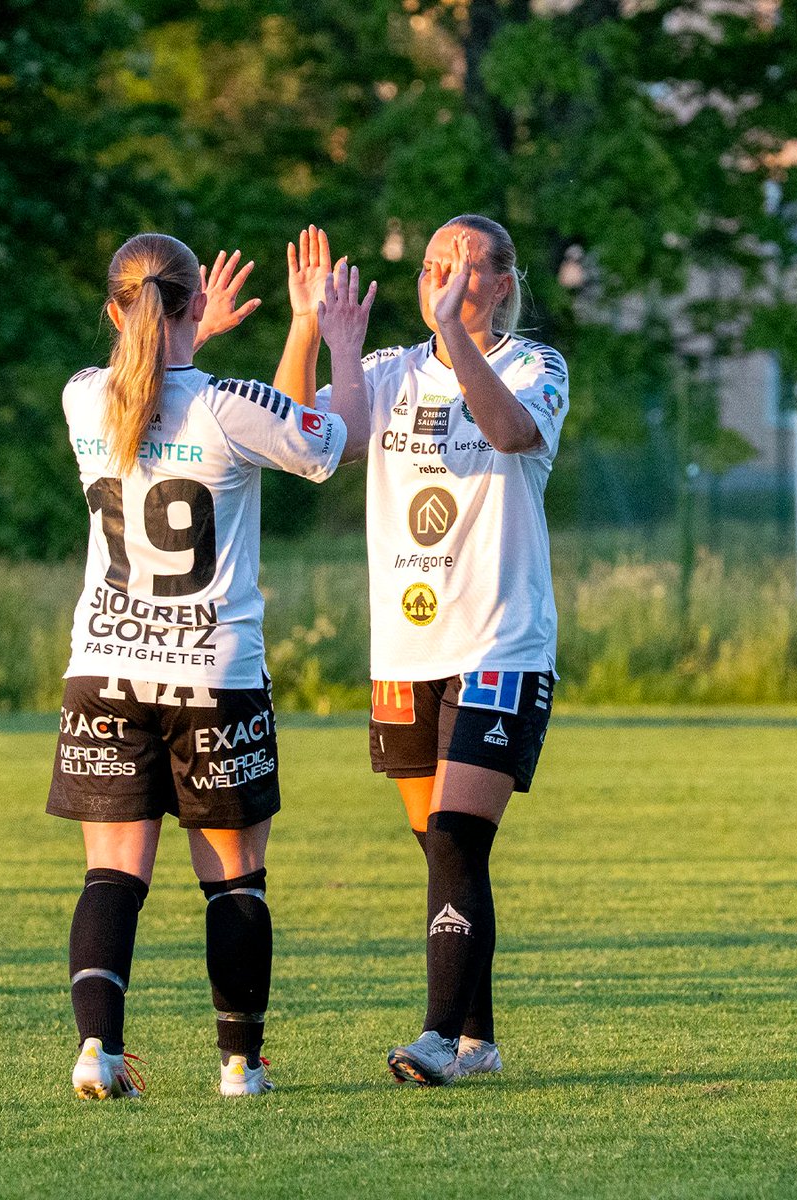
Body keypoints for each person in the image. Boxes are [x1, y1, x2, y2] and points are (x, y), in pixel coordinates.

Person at [47, 232, 375, 1099]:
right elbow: (346, 440)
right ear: (195, 303)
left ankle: (97, 1051)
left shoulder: (84, 398)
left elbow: (150, 382)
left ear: (116, 310)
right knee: (233, 874)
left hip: (106, 669)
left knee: (112, 872)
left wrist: (193, 336)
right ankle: (240, 1065)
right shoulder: (232, 407)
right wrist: (335, 334)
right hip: (213, 677)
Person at [275, 218, 568, 1085]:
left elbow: (511, 433)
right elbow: (318, 443)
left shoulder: (534, 365)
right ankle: (478, 1039)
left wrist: (452, 337)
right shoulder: (389, 370)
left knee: (454, 838)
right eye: (436, 264)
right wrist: (314, 335)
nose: (446, 279)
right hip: (405, 651)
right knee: (442, 849)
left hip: (500, 645)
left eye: (468, 268)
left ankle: (439, 1038)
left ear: (503, 286)